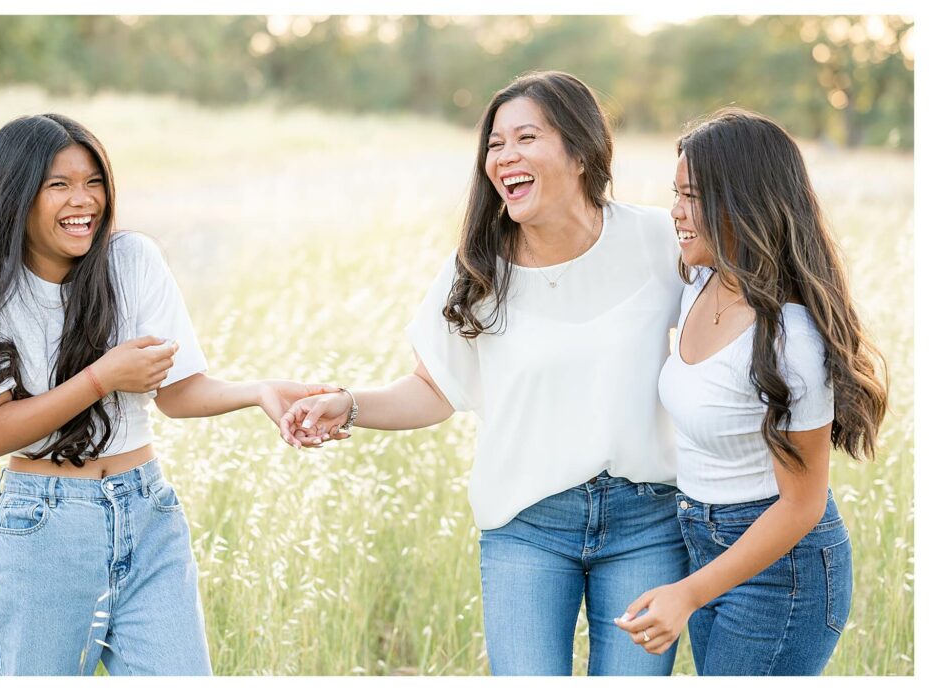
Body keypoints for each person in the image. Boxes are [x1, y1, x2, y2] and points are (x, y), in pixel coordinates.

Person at [277, 71, 689, 676]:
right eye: (495, 144)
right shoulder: (474, 269)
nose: (505, 156)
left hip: (646, 524)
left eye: (526, 138)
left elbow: (727, 339)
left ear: (580, 151)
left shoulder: (659, 240)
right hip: (526, 527)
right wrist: (350, 403)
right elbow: (433, 388)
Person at [0, 113, 334, 675]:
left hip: (149, 513)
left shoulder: (132, 261)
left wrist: (257, 392)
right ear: (16, 195)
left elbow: (177, 392)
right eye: (59, 185)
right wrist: (101, 378)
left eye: (93, 181)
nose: (83, 200)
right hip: (45, 529)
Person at [614, 108, 888, 675]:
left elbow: (803, 504)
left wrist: (688, 593)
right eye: (676, 193)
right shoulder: (698, 280)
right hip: (704, 541)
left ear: (741, 201)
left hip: (783, 574)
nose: (676, 212)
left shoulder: (792, 342)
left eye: (692, 197)